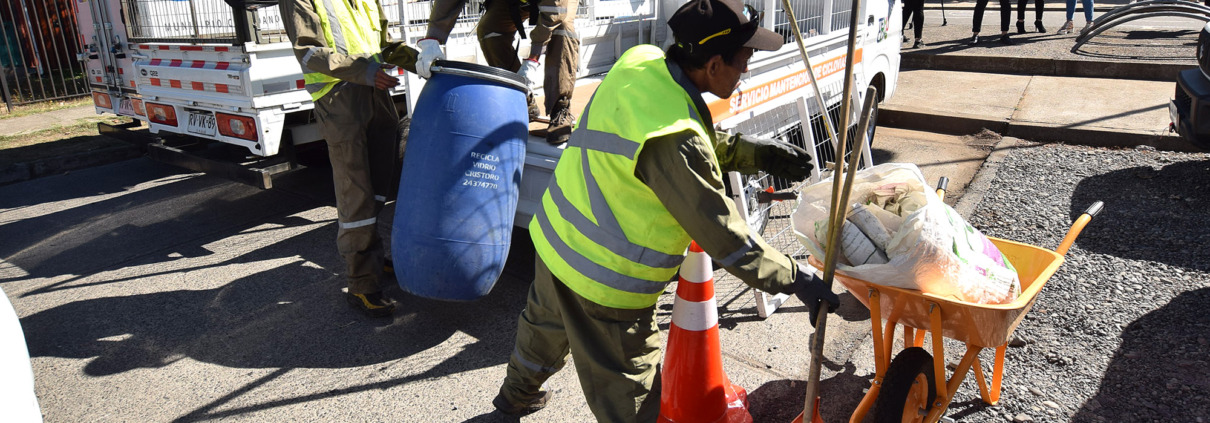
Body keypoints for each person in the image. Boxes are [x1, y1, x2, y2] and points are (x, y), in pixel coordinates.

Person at [488, 0, 840, 420]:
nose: (746, 69)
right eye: (744, 59)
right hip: (607, 281)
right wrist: (795, 278)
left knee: (541, 332)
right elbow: (724, 236)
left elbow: (676, 144)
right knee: (633, 397)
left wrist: (753, 153)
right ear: (713, 65)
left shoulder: (642, 63)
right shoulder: (676, 138)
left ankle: (514, 399)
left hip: (558, 240)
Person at [281, 0, 420, 318]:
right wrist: (365, 71)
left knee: (380, 184)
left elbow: (383, 45)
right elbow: (308, 52)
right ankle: (362, 285)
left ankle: (372, 256)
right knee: (355, 192)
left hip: (375, 94)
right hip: (340, 98)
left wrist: (420, 60)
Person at [416, 0, 580, 145]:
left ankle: (561, 110)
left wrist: (533, 59)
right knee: (490, 30)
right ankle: (521, 99)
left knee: (562, 27)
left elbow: (556, 10)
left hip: (557, 3)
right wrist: (432, 39)